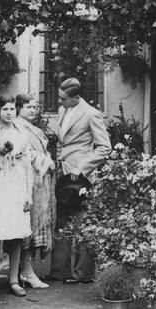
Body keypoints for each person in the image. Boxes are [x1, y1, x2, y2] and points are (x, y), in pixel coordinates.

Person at [50, 78, 112, 284]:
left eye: (63, 99)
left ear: (76, 98)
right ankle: (59, 270)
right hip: (63, 173)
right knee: (62, 220)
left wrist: (82, 168)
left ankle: (83, 273)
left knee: (83, 222)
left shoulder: (91, 114)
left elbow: (104, 148)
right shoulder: (63, 111)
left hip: (80, 177)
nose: (60, 102)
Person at [0, 95, 33, 297]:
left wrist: (28, 194)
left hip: (18, 185)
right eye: (5, 109)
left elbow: (28, 164)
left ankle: (13, 279)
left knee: (16, 235)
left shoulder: (23, 132)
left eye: (12, 109)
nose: (9, 113)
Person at [15, 93, 56, 289]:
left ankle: (23, 271)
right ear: (18, 108)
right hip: (26, 182)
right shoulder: (17, 128)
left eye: (34, 107)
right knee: (26, 226)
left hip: (39, 183)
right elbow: (26, 154)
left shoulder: (33, 129)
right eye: (28, 107)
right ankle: (26, 272)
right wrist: (47, 161)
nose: (32, 110)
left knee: (34, 224)